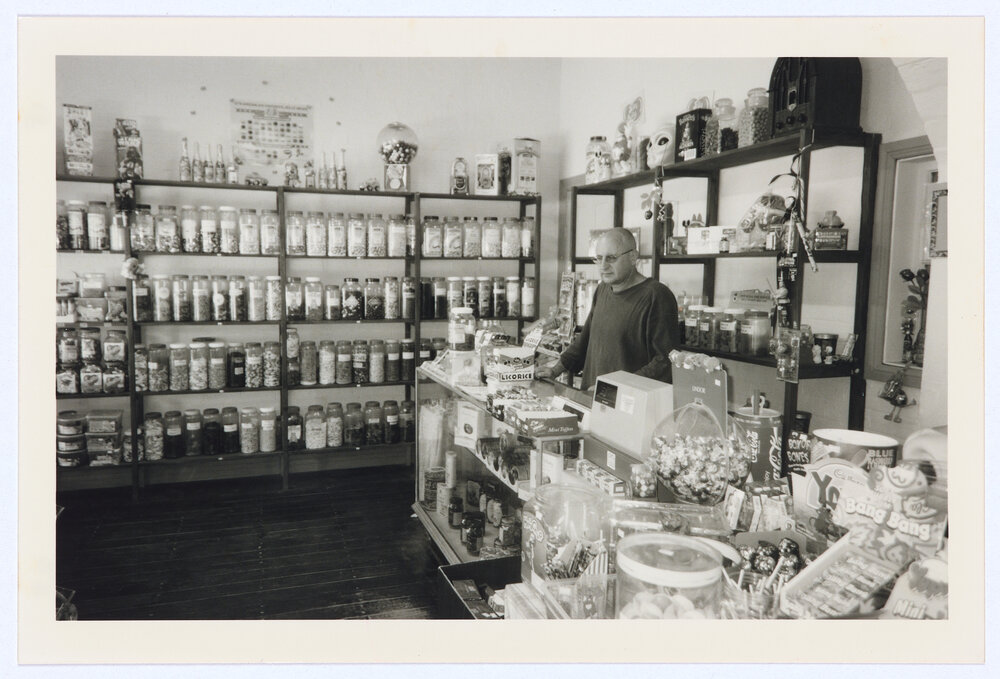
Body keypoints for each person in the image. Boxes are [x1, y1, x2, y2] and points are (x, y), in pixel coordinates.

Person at [537, 228, 679, 389]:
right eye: (599, 258)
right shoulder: (603, 288)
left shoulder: (657, 296)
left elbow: (665, 362)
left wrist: (611, 388)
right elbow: (586, 339)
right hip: (592, 398)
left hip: (629, 406)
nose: (603, 266)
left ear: (633, 257)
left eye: (611, 258)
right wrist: (555, 370)